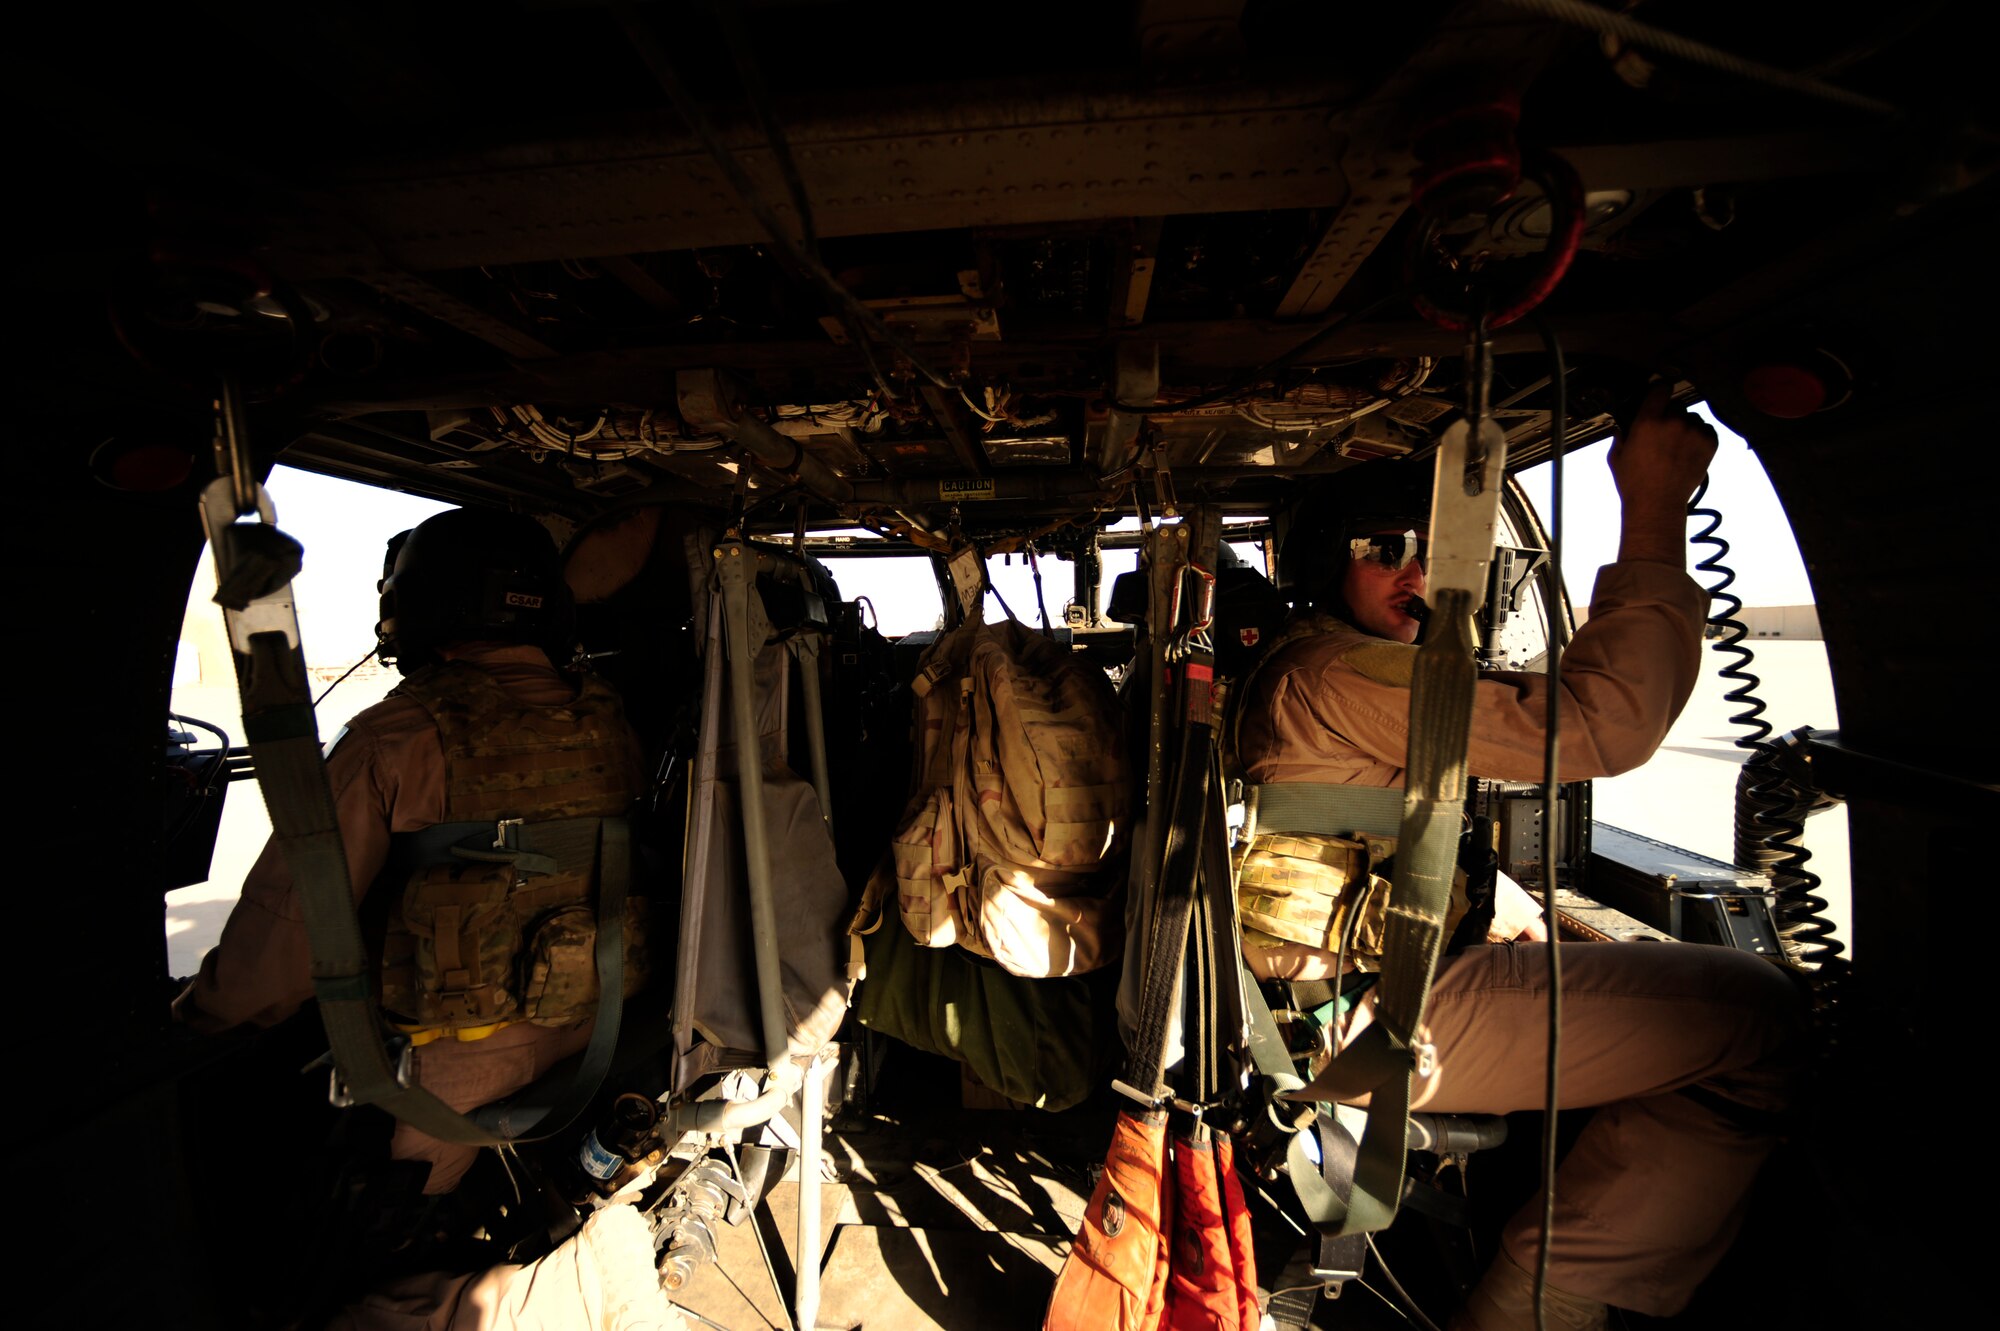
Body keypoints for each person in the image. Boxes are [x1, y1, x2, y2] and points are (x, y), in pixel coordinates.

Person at [1232, 391, 1807, 1330]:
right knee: (1761, 1020)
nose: (1414, 570)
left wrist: (1483, 892)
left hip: (1324, 1003)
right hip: (1370, 1023)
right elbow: (1601, 724)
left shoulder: (1303, 665)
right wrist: (1656, 506)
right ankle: (1539, 1304)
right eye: (1383, 550)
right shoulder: (1347, 670)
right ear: (1320, 566)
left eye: (1427, 547)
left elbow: (1349, 824)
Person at [174, 507, 683, 1331]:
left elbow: (279, 947)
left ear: (425, 607)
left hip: (442, 1100)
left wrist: (197, 1022)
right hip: (595, 1050)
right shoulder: (610, 726)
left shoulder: (398, 738)